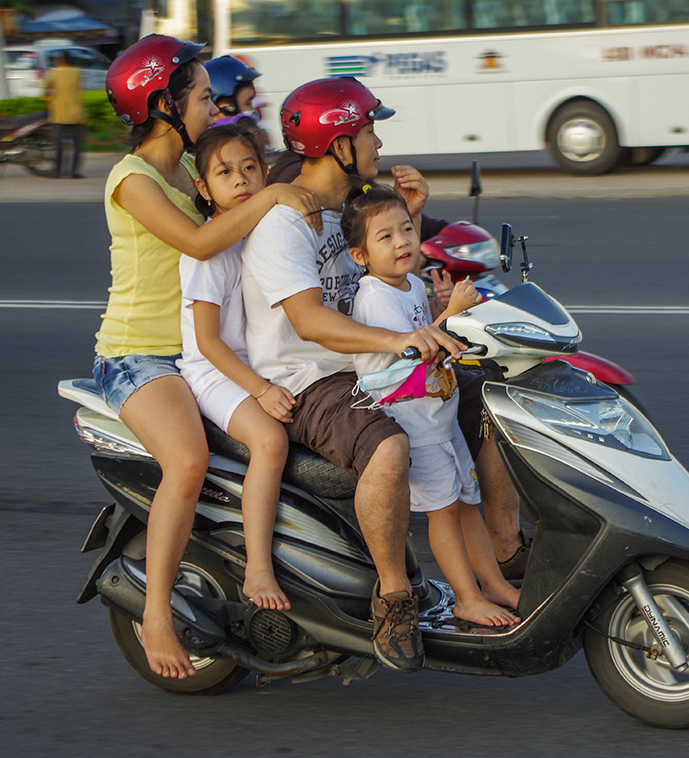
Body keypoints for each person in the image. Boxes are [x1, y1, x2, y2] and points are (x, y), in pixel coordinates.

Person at [95, 35, 320, 681]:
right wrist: (273, 199)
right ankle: (159, 615)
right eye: (198, 96)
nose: (209, 106)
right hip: (141, 356)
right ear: (163, 103)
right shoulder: (132, 179)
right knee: (188, 461)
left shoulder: (185, 173)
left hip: (199, 351)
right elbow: (198, 242)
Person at [240, 77, 463, 673]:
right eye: (367, 132)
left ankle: (501, 556)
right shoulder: (284, 226)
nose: (378, 142)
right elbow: (310, 322)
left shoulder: (343, 208)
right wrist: (400, 341)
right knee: (388, 449)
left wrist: (410, 220)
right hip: (311, 377)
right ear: (339, 144)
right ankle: (393, 596)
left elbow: (379, 267)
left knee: (483, 402)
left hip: (363, 361)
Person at [346, 183, 520, 627]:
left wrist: (443, 308)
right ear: (360, 255)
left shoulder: (406, 285)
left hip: (438, 418)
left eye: (406, 229)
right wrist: (450, 313)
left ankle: (494, 585)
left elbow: (432, 337)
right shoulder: (375, 296)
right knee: (443, 514)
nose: (402, 241)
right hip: (415, 427)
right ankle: (466, 597)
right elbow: (418, 349)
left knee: (466, 503)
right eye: (385, 236)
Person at [177, 123, 292, 611]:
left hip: (255, 362)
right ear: (203, 188)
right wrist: (261, 390)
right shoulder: (210, 250)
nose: (241, 180)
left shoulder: (263, 233)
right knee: (270, 440)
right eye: (225, 173)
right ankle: (258, 569)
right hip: (212, 370)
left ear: (266, 174)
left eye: (249, 169)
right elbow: (206, 341)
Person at [43, 50, 85, 178]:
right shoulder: (76, 72)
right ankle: (73, 172)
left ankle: (58, 171)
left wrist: (50, 97)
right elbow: (78, 88)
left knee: (58, 144)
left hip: (59, 112)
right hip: (76, 112)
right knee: (77, 145)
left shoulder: (54, 72)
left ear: (61, 60)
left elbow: (46, 87)